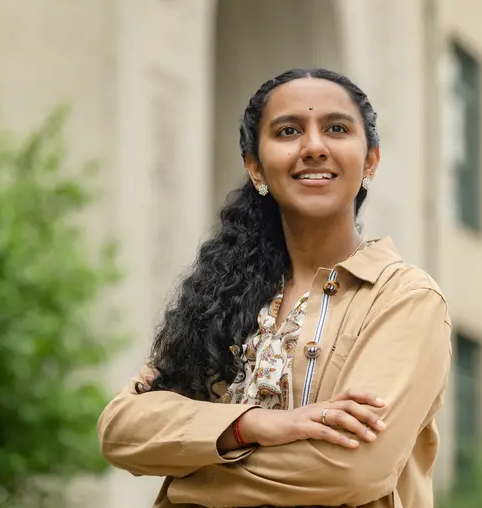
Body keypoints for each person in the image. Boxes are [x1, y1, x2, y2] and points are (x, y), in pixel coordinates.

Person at [97, 68, 452, 508]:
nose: (314, 147)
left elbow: (352, 470)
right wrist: (250, 426)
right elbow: (122, 428)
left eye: (336, 129)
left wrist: (184, 483)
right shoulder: (221, 296)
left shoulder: (404, 299)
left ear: (371, 160)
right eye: (288, 131)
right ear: (255, 166)